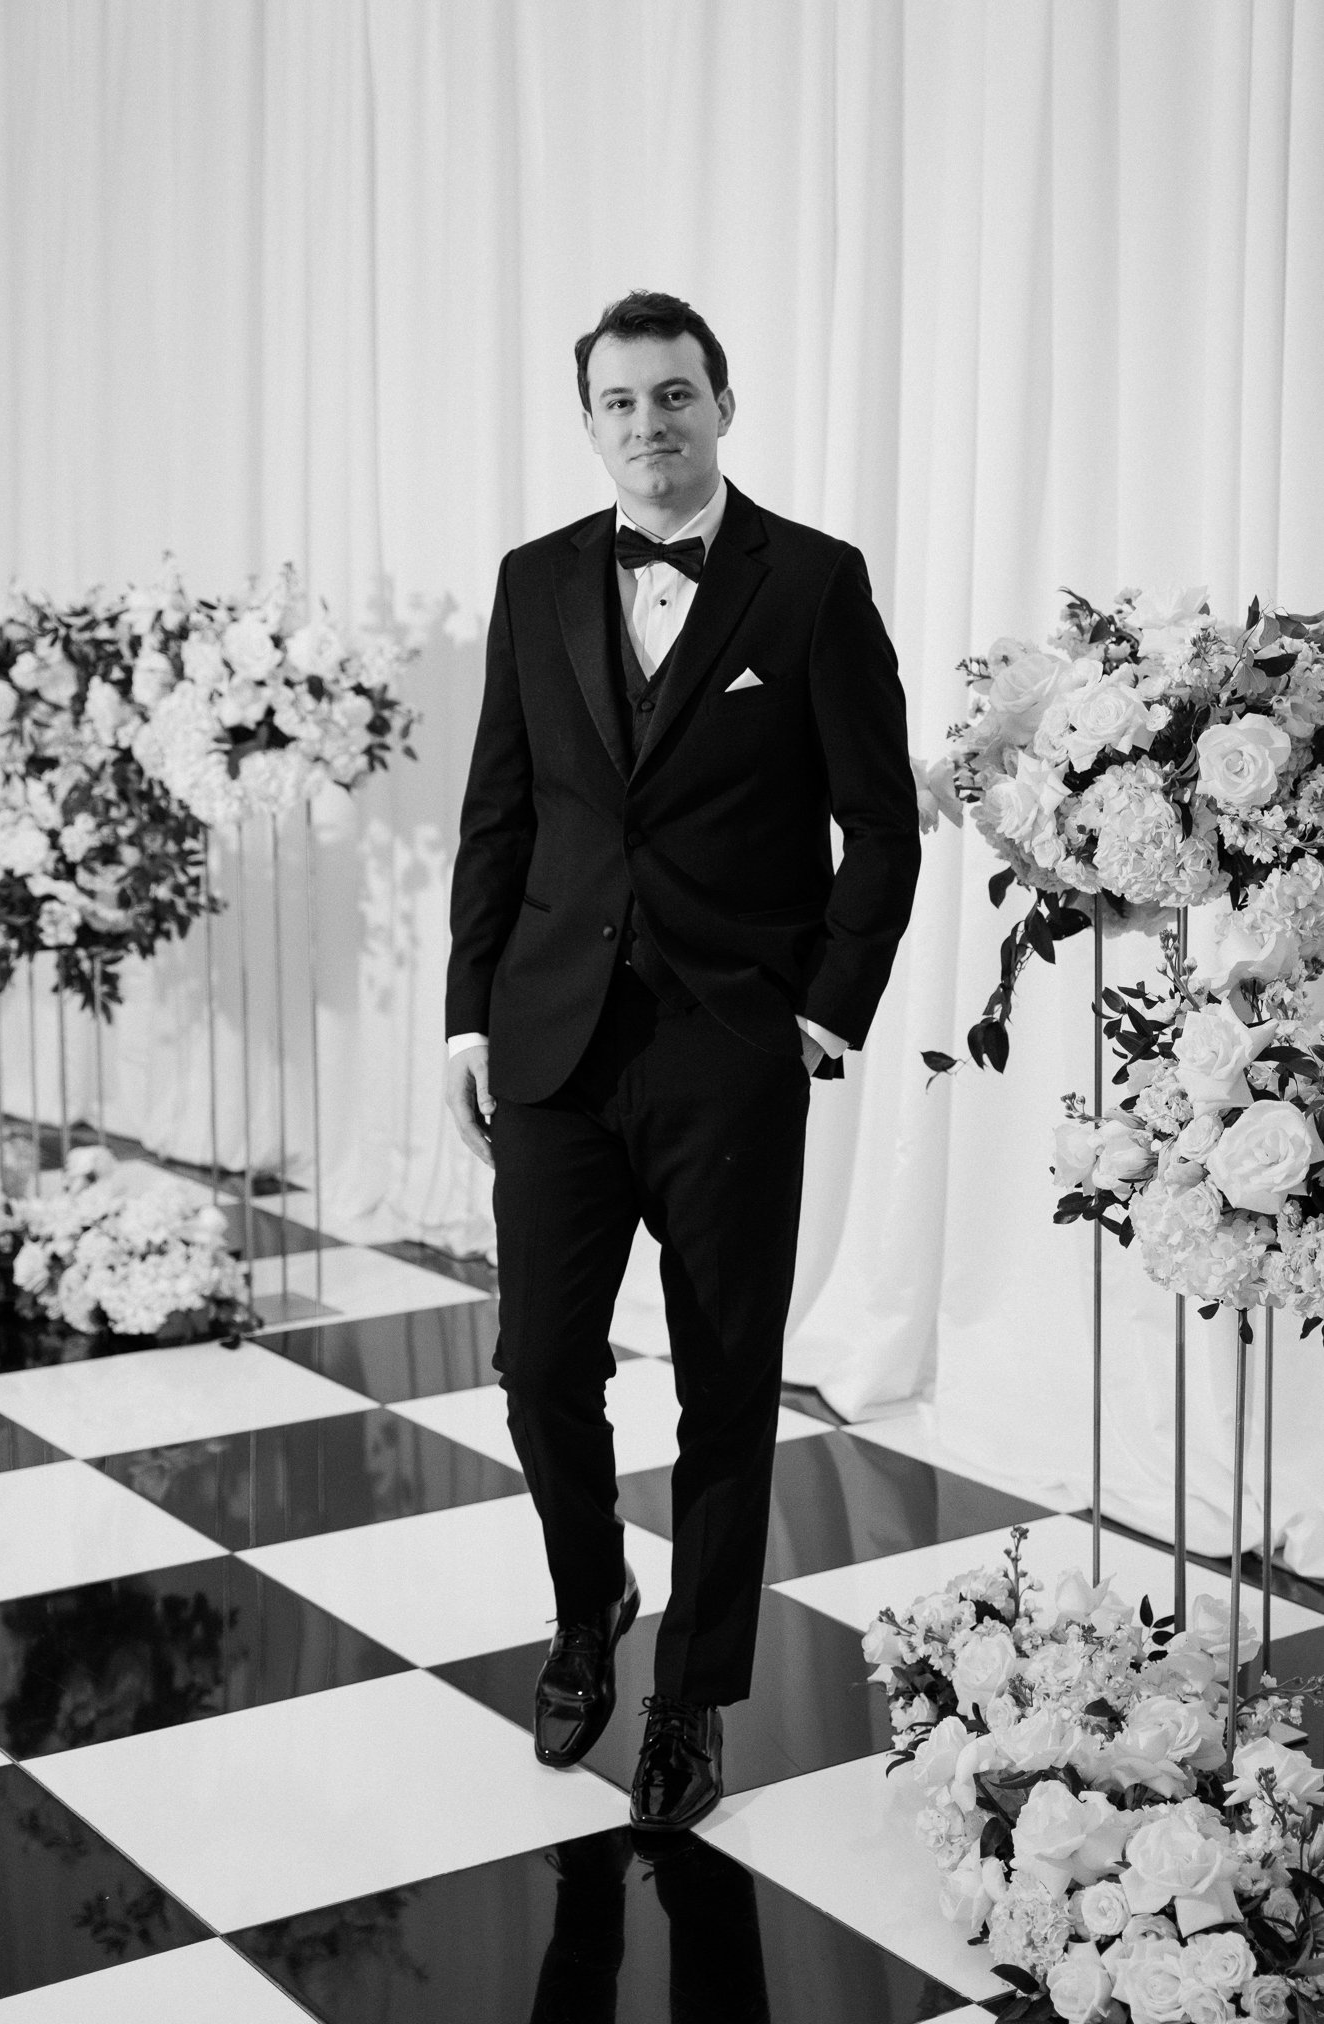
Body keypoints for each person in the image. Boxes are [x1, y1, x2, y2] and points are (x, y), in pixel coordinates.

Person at [445, 290, 920, 1833]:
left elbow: (881, 825)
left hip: (729, 1048)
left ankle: (692, 1695)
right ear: (587, 420)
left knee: (723, 1385)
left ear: (723, 404)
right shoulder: (533, 581)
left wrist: (823, 1009)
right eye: (619, 400)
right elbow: (499, 816)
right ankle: (588, 1602)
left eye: (672, 395)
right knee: (538, 1367)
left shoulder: (812, 582)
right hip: (553, 1044)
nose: (647, 423)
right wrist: (466, 1018)